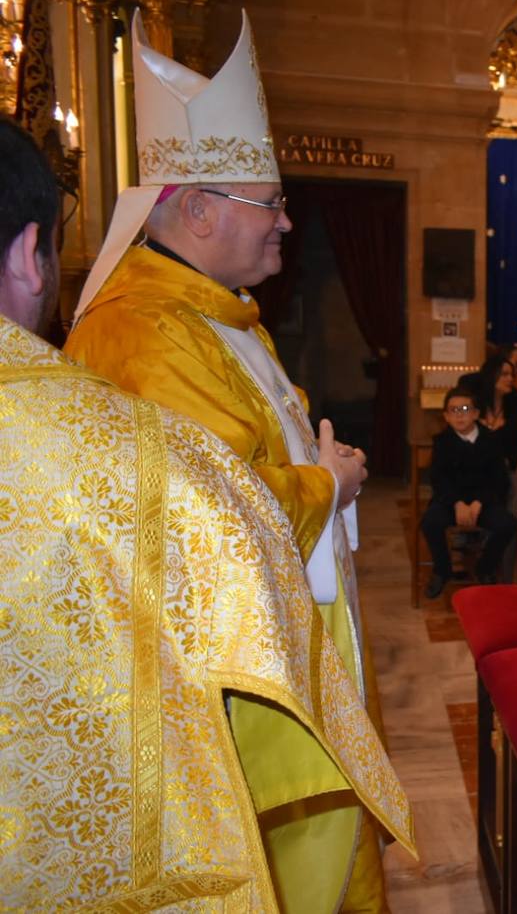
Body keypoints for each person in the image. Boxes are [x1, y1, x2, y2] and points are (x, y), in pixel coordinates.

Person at [0, 116, 413, 908]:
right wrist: (327, 486)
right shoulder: (143, 334)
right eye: (270, 201)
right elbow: (215, 529)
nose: (287, 220)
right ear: (197, 211)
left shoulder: (216, 314)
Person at [422, 387, 517, 597]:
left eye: (465, 409)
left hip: (484, 501)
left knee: (507, 524)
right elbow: (439, 479)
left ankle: (485, 567)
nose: (459, 414)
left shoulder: (491, 440)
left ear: (476, 413)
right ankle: (442, 569)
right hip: (450, 501)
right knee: (430, 521)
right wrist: (457, 503)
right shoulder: (442, 442)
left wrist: (478, 502)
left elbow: (499, 479)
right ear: (446, 416)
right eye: (453, 410)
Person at [475, 352, 517, 470]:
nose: (510, 379)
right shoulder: (475, 405)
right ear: (491, 375)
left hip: (506, 472)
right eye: (504, 374)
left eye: (512, 375)